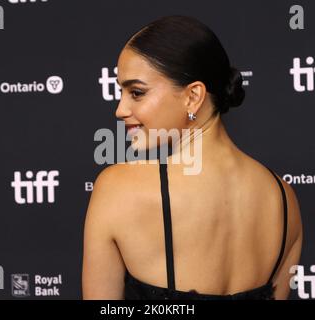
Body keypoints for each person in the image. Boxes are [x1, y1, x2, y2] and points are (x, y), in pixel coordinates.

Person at [82, 15, 303, 300]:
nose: (120, 109)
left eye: (136, 92)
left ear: (193, 97)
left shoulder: (117, 188)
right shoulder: (284, 199)